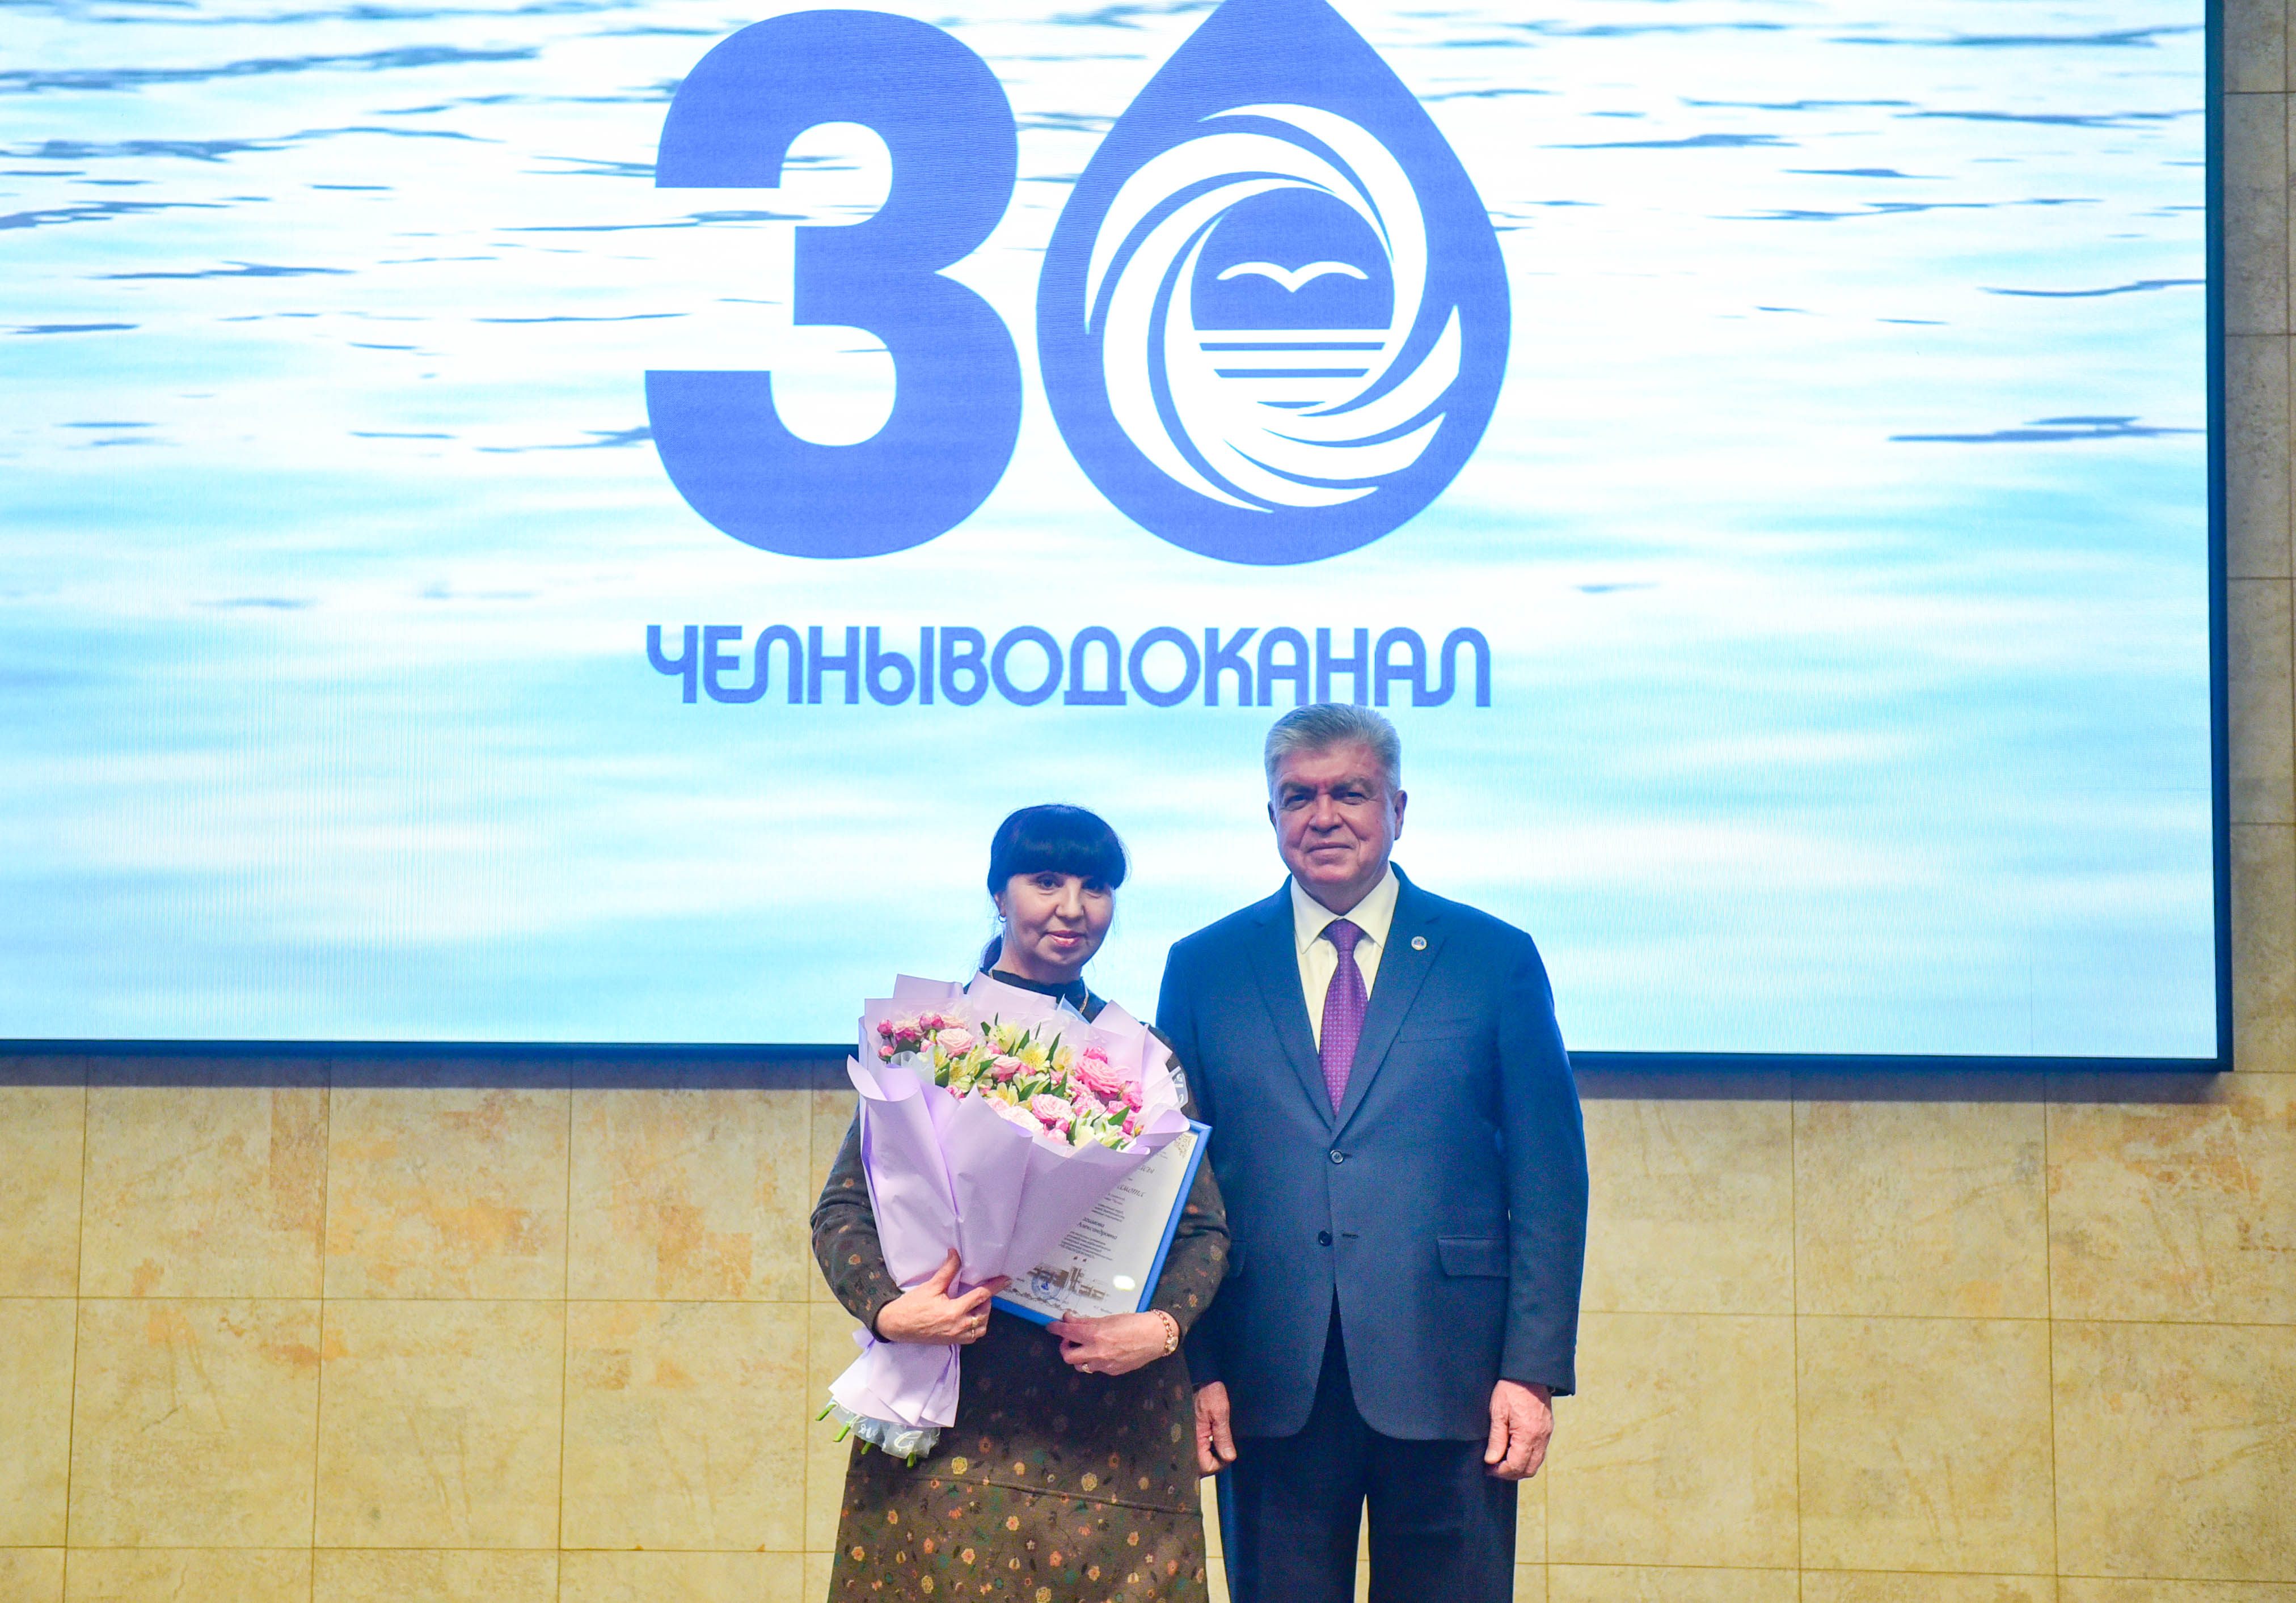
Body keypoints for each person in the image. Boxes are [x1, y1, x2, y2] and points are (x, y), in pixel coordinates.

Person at [1156, 705, 1587, 1603]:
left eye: (1350, 793)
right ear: (1270, 815)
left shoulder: (1494, 958)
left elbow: (1549, 1180)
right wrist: (1199, 1368)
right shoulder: (1205, 966)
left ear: (1398, 806)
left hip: (1454, 1375)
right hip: (1266, 1379)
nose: (1324, 817)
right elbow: (1177, 1185)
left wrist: (1531, 1370)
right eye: (1297, 798)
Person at [814, 803, 1230, 1603]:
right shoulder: (932, 1039)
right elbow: (842, 1214)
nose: (1073, 908)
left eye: (1096, 887)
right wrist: (893, 1313)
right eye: (1046, 882)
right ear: (998, 894)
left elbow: (1203, 1228)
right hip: (957, 1401)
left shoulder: (1145, 1057)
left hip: (1112, 1413)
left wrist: (1162, 1326)